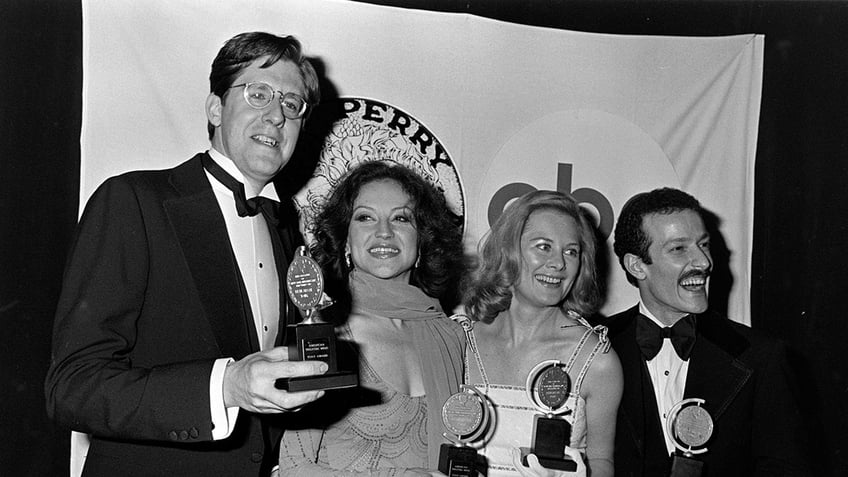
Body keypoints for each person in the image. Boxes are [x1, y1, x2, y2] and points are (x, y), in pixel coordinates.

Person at [44, 32, 328, 476]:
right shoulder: (133, 201)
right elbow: (72, 387)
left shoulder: (287, 235)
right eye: (259, 94)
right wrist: (224, 387)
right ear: (215, 108)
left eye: (292, 104)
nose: (276, 115)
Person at [277, 160, 467, 476]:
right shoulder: (325, 335)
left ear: (422, 240)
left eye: (401, 219)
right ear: (346, 241)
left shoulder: (449, 335)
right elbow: (293, 467)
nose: (384, 232)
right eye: (365, 217)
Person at [606, 187, 809, 476]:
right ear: (637, 265)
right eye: (679, 249)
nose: (703, 262)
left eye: (704, 245)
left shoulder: (761, 357)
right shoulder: (594, 346)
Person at [462, 190, 623, 477]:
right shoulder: (459, 338)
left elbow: (602, 463)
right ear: (509, 250)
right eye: (543, 246)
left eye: (571, 252)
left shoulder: (597, 360)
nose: (559, 263)